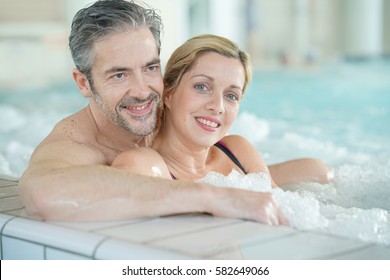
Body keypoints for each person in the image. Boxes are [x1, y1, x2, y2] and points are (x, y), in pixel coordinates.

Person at [18, 0, 287, 225]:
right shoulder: (76, 145)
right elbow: (42, 196)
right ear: (83, 83)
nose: (142, 91)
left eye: (150, 68)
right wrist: (210, 196)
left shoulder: (167, 114)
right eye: (119, 74)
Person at [111, 34, 333, 190]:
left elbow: (285, 214)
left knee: (320, 171)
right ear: (168, 92)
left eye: (231, 96)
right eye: (201, 87)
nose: (217, 106)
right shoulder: (144, 166)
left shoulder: (237, 150)